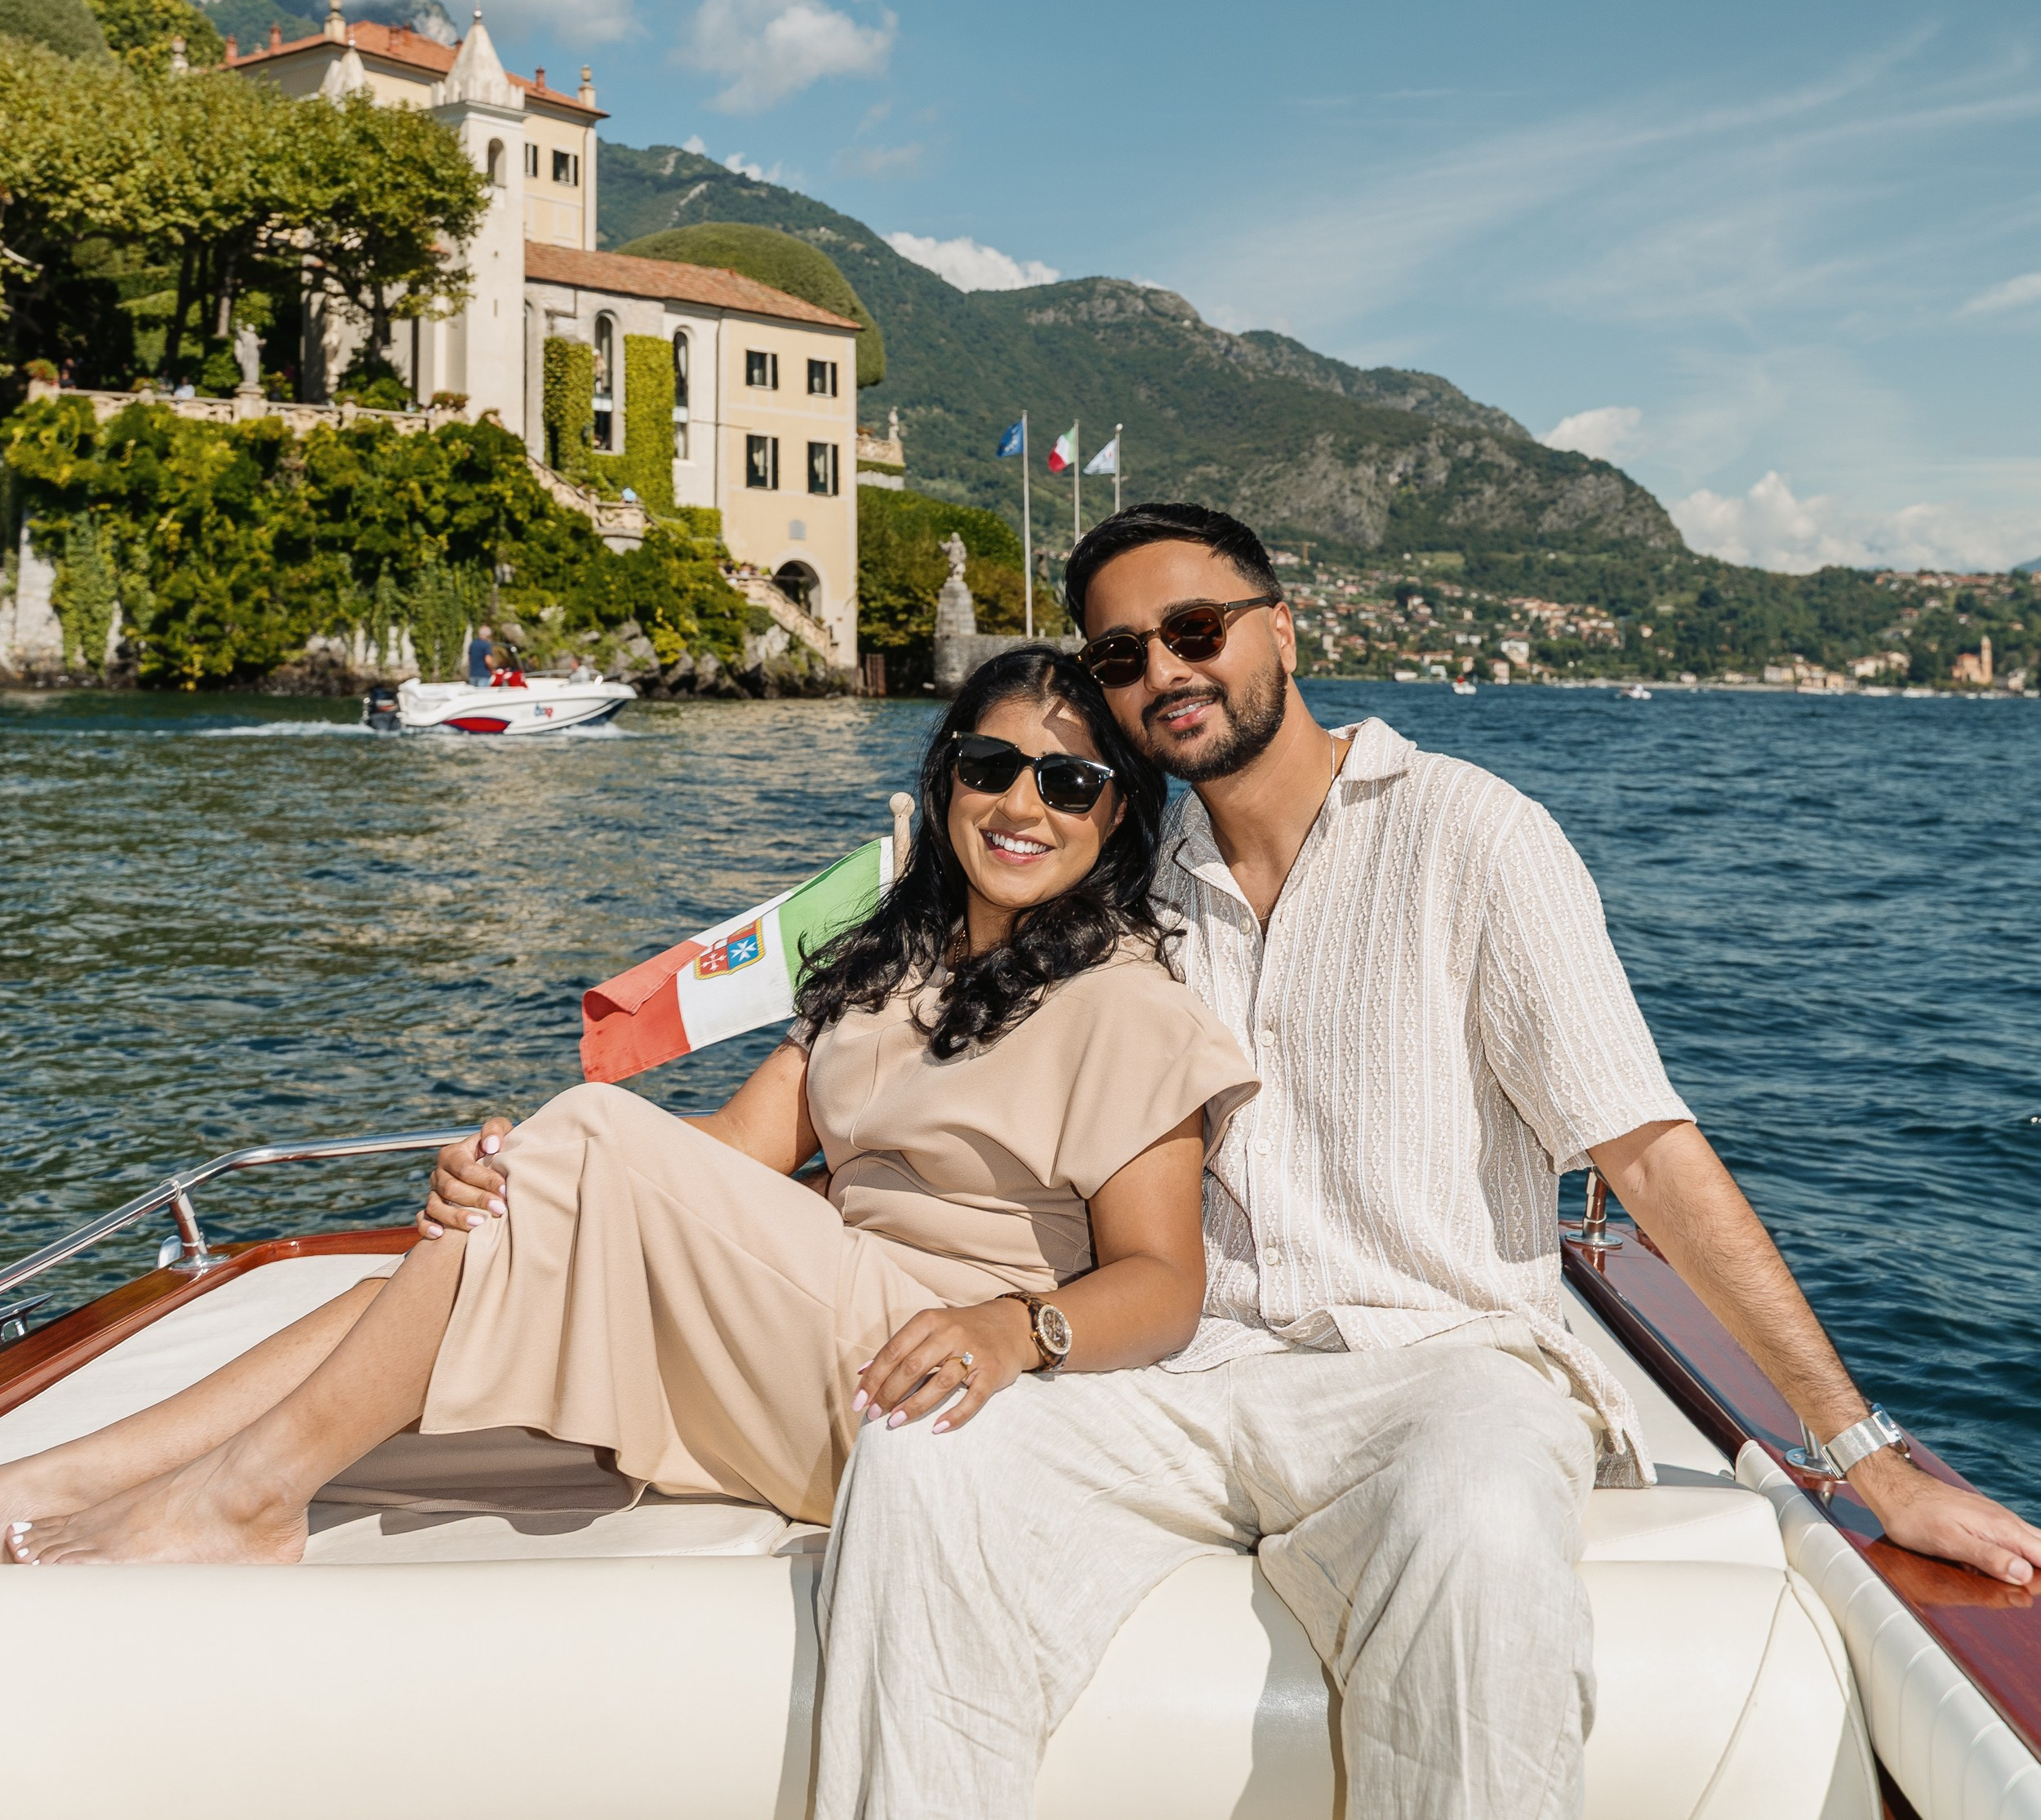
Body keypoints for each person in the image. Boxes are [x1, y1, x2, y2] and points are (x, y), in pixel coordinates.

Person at [815, 501, 2041, 1820]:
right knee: (924, 1454)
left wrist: (1870, 1455)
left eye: (1194, 629)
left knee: (1478, 1509)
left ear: (1281, 626)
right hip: (1189, 1378)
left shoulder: (1475, 835)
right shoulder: (1126, 877)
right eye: (1122, 654)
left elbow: (1645, 1148)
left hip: (1442, 1372)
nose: (1163, 669)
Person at [1, 646, 1255, 1565]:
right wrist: (509, 1179)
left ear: (1118, 812)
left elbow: (1163, 1280)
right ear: (946, 783)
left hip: (930, 1371)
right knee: (424, 1267)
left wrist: (1008, 1328)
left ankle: (242, 1503)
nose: (1023, 803)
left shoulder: (1126, 1001)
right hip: (806, 1319)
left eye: (1069, 782)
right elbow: (737, 1152)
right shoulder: (890, 965)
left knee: (588, 1134)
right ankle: (51, 1476)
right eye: (991, 764)